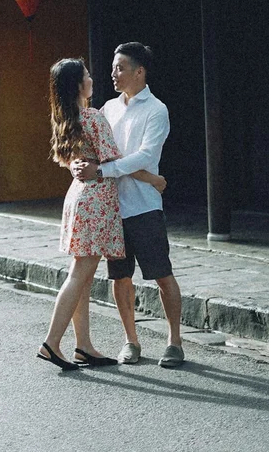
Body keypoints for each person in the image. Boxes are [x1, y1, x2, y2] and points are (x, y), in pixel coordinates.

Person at [37, 58, 166, 371]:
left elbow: (70, 160)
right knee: (80, 275)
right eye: (87, 75)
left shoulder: (64, 118)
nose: (92, 78)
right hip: (96, 201)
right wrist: (154, 179)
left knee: (80, 276)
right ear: (79, 85)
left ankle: (84, 346)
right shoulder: (93, 117)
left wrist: (82, 167)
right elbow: (115, 161)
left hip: (78, 198)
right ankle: (52, 342)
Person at [71, 42, 183, 368]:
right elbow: (96, 149)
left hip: (145, 207)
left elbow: (144, 155)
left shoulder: (156, 110)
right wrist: (148, 176)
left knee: (162, 275)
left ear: (139, 72)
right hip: (111, 206)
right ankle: (130, 340)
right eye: (112, 68)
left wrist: (109, 170)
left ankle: (174, 341)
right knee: (120, 277)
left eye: (120, 68)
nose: (113, 73)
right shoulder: (107, 108)